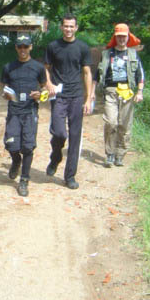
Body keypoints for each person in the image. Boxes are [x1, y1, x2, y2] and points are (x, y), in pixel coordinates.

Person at [44, 14, 94, 189]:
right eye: (65, 26)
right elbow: (46, 68)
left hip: (76, 96)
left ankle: (69, 176)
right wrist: (48, 83)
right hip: (58, 96)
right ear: (61, 27)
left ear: (76, 28)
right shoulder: (53, 46)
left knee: (75, 136)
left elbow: (87, 73)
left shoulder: (82, 48)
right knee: (59, 133)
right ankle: (55, 157)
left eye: (71, 26)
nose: (68, 29)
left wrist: (88, 99)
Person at [1, 33, 47, 197]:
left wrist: (40, 94)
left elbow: (45, 88)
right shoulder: (8, 67)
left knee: (28, 147)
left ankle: (24, 180)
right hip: (14, 111)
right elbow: (4, 88)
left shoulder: (38, 67)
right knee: (11, 145)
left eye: (25, 46)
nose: (22, 50)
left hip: (30, 112)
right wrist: (5, 94)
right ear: (16, 48)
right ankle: (16, 160)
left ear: (30, 47)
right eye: (20, 47)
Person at [95, 23, 145, 167]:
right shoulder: (106, 54)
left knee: (124, 125)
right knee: (111, 122)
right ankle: (110, 153)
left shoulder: (133, 54)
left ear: (128, 37)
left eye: (124, 36)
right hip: (111, 92)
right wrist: (91, 93)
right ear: (115, 37)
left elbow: (140, 75)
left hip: (128, 92)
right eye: (119, 36)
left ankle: (120, 154)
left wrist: (140, 92)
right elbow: (96, 74)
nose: (122, 39)